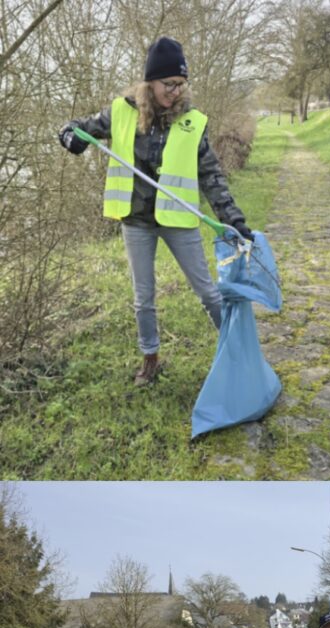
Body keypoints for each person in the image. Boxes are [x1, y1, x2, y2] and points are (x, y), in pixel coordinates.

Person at [58, 36, 254, 386]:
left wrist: (233, 218)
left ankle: (237, 353)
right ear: (150, 81)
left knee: (208, 292)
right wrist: (69, 136)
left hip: (178, 220)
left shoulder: (193, 122)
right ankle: (150, 358)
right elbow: (78, 129)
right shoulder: (121, 110)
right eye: (169, 84)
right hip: (136, 222)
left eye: (181, 84)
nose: (175, 91)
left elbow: (211, 176)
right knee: (143, 298)